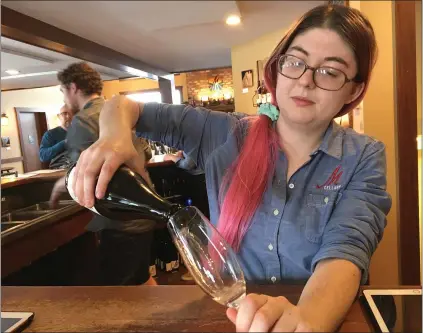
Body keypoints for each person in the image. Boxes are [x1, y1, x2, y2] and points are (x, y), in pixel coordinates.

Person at [70, 4, 392, 332]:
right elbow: (122, 106)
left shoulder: (363, 156)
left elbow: (348, 248)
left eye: (330, 71)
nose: (306, 81)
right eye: (296, 62)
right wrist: (113, 137)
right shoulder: (225, 134)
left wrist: (306, 320)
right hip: (231, 321)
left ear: (353, 89)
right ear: (278, 67)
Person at [51, 62, 156, 286]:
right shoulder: (122, 113)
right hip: (146, 211)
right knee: (142, 279)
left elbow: (80, 174)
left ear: (73, 87)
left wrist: (59, 186)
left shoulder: (83, 120)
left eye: (62, 91)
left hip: (121, 219)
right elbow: (145, 153)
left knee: (120, 295)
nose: (63, 98)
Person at [39, 104, 73, 169]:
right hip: (59, 172)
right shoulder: (50, 134)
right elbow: (43, 156)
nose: (68, 116)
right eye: (64, 113)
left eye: (71, 113)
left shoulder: (82, 132)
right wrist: (64, 143)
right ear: (59, 116)